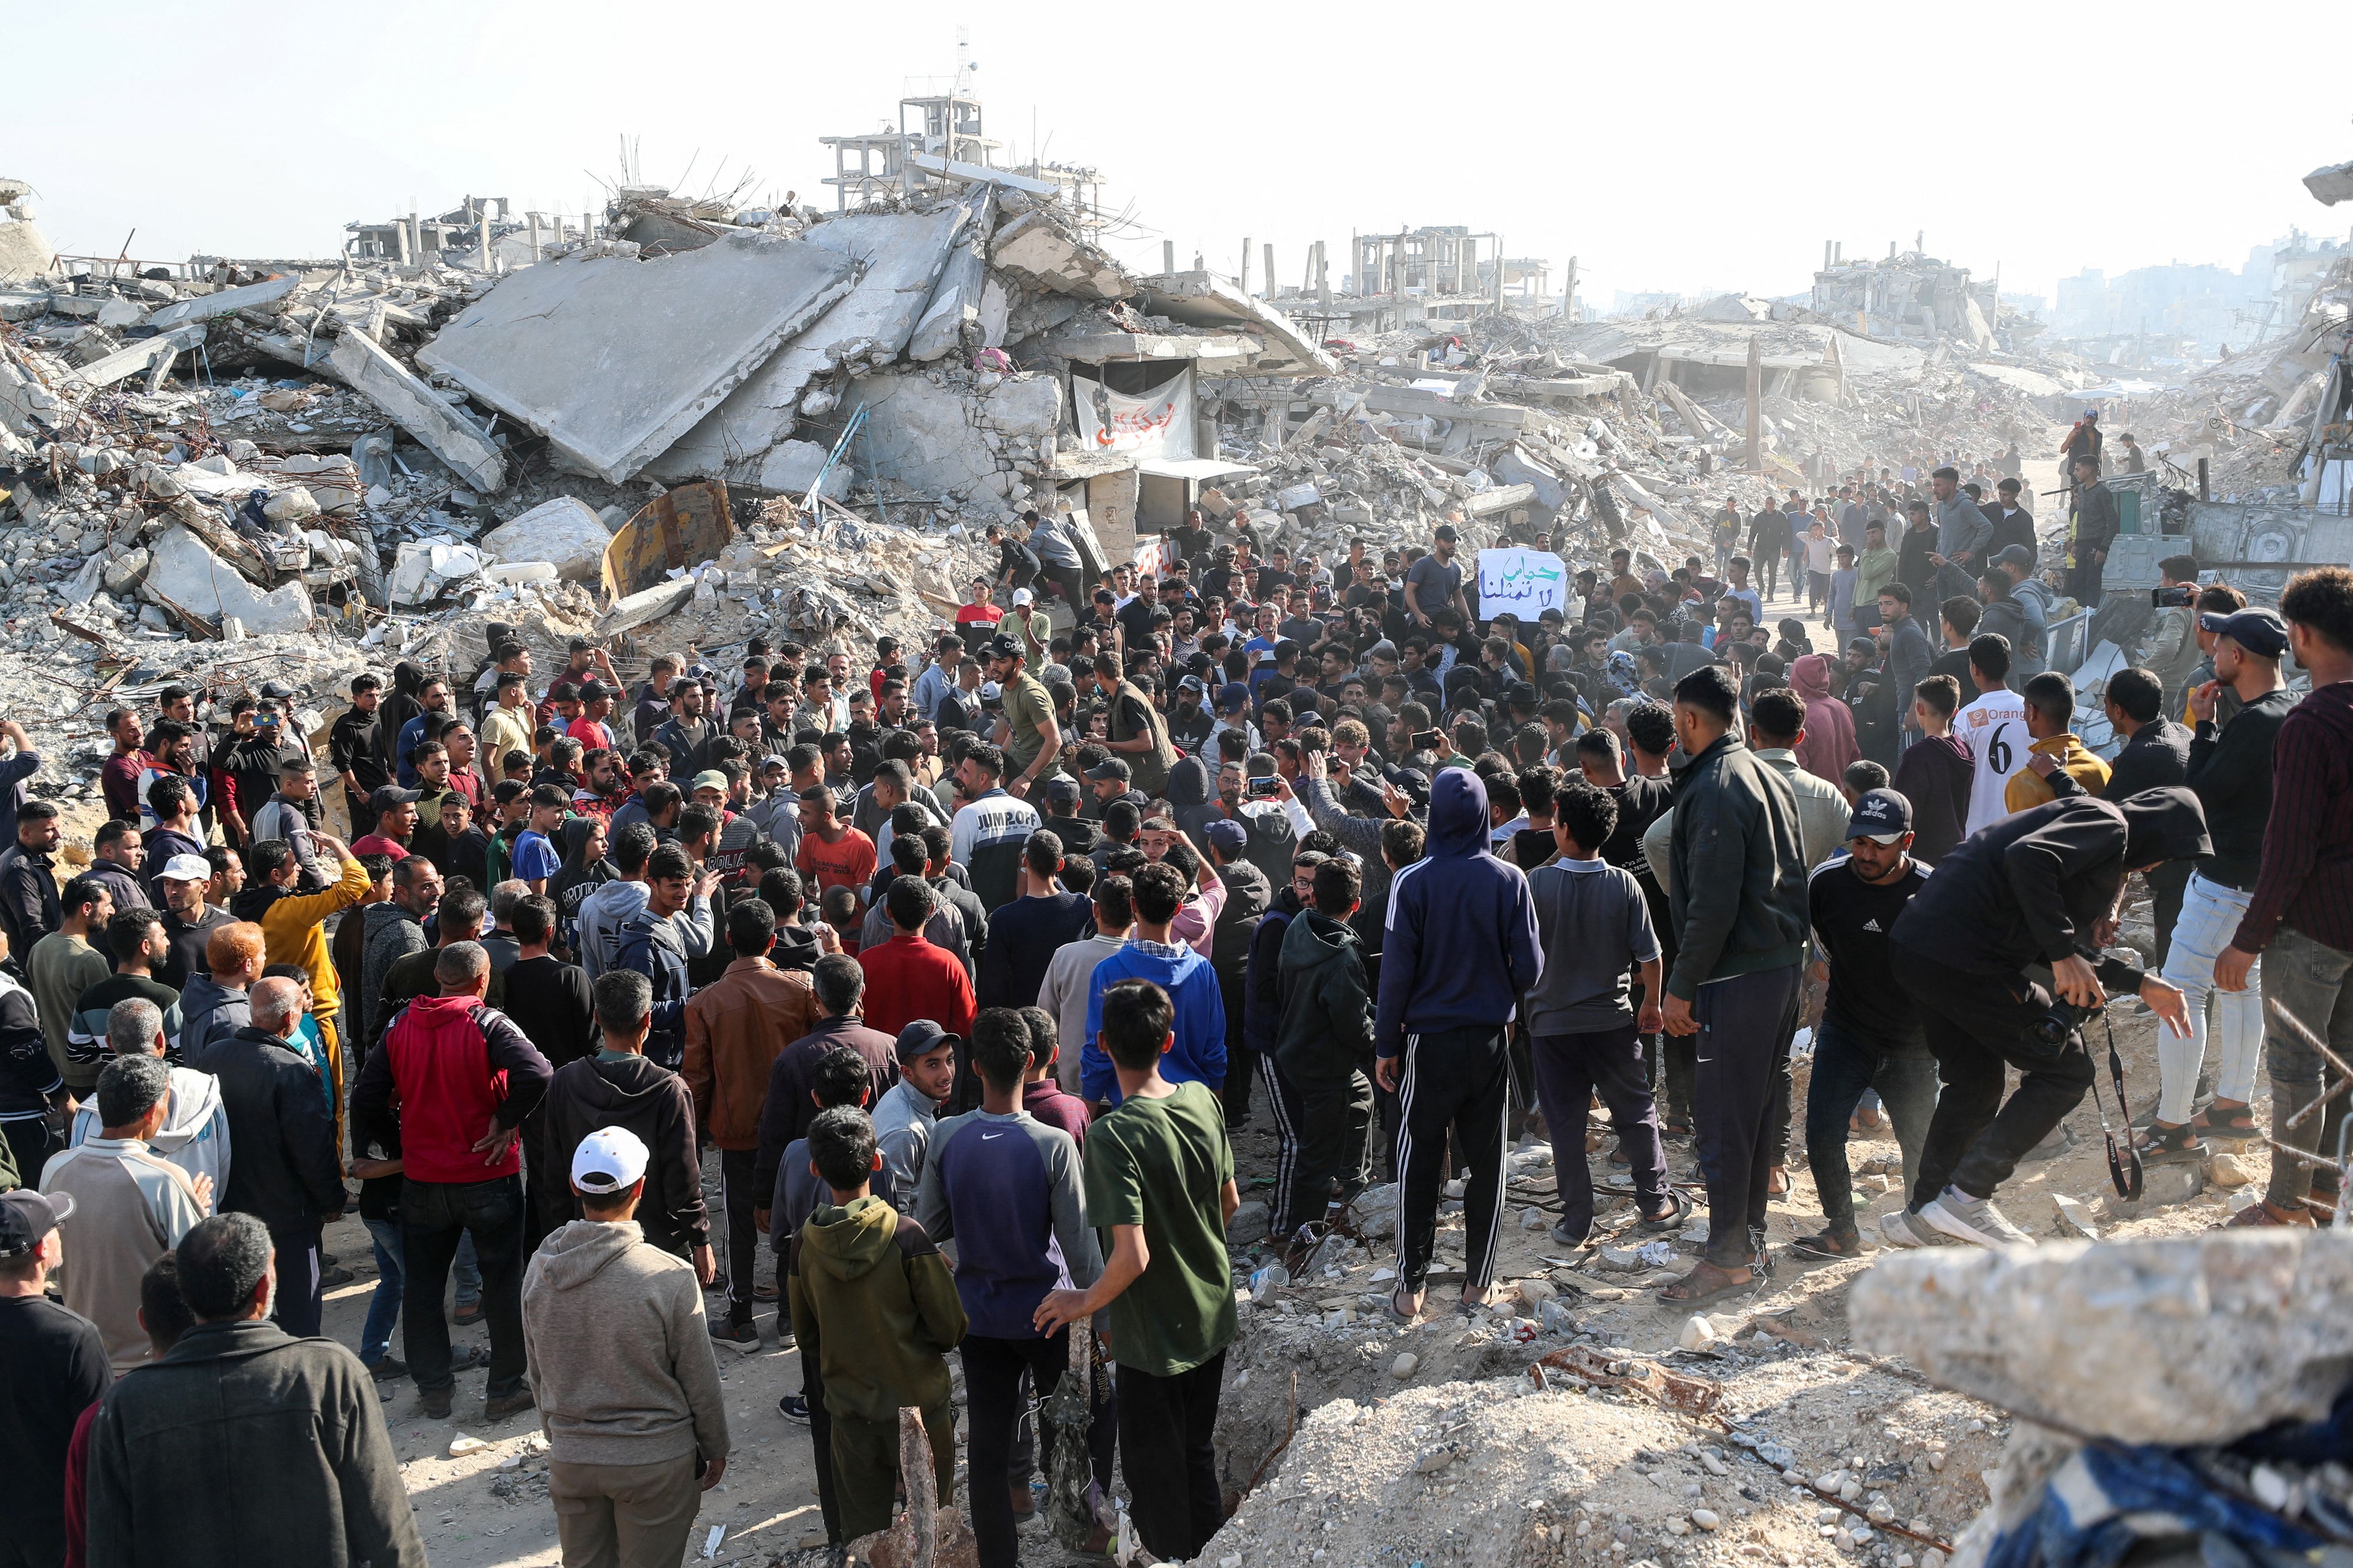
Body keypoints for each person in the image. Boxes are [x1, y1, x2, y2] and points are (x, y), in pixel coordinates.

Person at [1882, 789, 2207, 1246]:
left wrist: (2139, 984)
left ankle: (1924, 1214)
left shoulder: (2080, 821)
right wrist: (2060, 956)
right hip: (1964, 956)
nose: (2154, 869)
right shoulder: (2108, 824)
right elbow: (2028, 860)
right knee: (2066, 1070)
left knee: (1974, 1081)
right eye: (2165, 857)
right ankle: (1967, 1196)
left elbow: (2035, 923)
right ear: (2158, 834)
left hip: (1920, 946)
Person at [84, 1212, 429, 1567]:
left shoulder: (126, 1406)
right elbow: (389, 1536)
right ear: (265, 1286)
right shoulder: (328, 1374)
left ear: (186, 1294)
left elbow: (109, 1551)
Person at [1034, 979, 1239, 1563]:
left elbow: (1132, 1257)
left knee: (1154, 1478)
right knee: (1195, 1452)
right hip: (1211, 1310)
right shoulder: (1203, 1099)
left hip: (1154, 1335)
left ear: (1100, 1044)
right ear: (1168, 1039)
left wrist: (1082, 1301)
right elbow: (1228, 1203)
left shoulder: (1112, 1136)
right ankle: (1209, 1552)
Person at [917, 1007, 1109, 1568]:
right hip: (1047, 1313)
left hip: (979, 1317)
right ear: (1031, 1063)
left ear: (975, 1067)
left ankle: (1000, 1557)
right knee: (1067, 1424)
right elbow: (1082, 1251)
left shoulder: (947, 1138)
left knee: (989, 1441)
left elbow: (929, 1228)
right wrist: (1100, 1319)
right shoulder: (1052, 1145)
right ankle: (1076, 1528)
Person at [1655, 666, 1807, 1306]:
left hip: (1736, 975)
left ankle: (1726, 1259)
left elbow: (1711, 904)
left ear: (1689, 719)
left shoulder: (1715, 786)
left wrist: (1680, 985)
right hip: (1775, 970)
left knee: (1721, 1120)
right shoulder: (1762, 772)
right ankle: (1743, 1241)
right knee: (1749, 1114)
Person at [351, 940, 553, 1421]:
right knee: (502, 1284)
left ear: (437, 978)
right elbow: (538, 1072)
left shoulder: (401, 1025)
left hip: (423, 1182)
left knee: (422, 1287)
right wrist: (506, 1119)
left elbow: (365, 1097)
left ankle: (435, 1390)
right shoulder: (488, 1023)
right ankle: (504, 1390)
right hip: (489, 1177)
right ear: (482, 981)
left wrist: (398, 1145)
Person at [1372, 767, 1541, 1317]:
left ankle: (1410, 1287)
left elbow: (1395, 973)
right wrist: (1502, 998)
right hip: (1490, 1040)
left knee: (1419, 1160)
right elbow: (1532, 967)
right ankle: (1479, 1284)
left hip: (1427, 1043)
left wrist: (1385, 1044)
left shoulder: (1411, 881)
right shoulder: (1510, 880)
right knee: (1487, 1164)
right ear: (1483, 814)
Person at [523, 1125, 732, 1568]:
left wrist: (561, 1438)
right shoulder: (670, 1276)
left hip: (572, 1459)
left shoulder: (541, 1269)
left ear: (575, 1187)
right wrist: (715, 1445)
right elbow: (699, 1378)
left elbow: (538, 1371)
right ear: (641, 1187)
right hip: (655, 1463)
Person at [2215, 569, 2353, 1226]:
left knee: (2298, 1066)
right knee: (2344, 1063)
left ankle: (2284, 1205)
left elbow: (2288, 848)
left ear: (2299, 634)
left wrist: (2247, 938)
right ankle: (2325, 1194)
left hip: (2312, 928)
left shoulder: (2308, 724)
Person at [2139, 608, 2294, 1165]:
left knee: (2181, 990)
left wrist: (2202, 726)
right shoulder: (2291, 709)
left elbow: (2199, 790)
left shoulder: (2255, 723)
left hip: (2225, 879)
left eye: (2219, 645)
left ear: (2238, 657)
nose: (2212, 653)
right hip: (2263, 880)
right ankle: (2233, 1104)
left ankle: (2174, 1125)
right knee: (2241, 988)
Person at [786, 1105, 969, 1543]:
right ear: (876, 1161)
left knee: (864, 1538)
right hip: (921, 1410)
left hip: (852, 1415)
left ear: (815, 1169)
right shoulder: (907, 1237)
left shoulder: (803, 1248)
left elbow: (807, 1337)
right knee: (931, 1531)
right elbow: (950, 1329)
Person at [1524, 780, 1682, 1247]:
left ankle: (1576, 1220)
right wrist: (1650, 1005)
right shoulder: (1624, 884)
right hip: (1612, 1023)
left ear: (1564, 829)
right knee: (1635, 1112)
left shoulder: (1537, 884)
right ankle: (1655, 1202)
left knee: (1566, 1125)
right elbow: (1651, 958)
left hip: (1551, 1028)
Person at [1792, 790, 1938, 1260]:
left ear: (1907, 842)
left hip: (1915, 1044)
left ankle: (1921, 1230)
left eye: (1879, 845)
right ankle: (1841, 1229)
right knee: (1822, 1132)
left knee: (1923, 1143)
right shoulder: (1826, 883)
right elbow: (1825, 949)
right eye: (1859, 843)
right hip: (1848, 1031)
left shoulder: (1935, 891)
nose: (1866, 854)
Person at [684, 898, 816, 1349]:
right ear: (773, 941)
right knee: (795, 1217)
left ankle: (740, 1318)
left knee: (739, 1223)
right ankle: (789, 1314)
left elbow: (697, 1080)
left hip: (736, 1131)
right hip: (794, 1131)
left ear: (726, 940)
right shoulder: (801, 993)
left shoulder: (705, 1003)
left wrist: (693, 1137)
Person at [39, 1052, 210, 1372]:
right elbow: (196, 1272)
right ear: (152, 1110)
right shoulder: (164, 1180)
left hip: (84, 1360)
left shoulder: (55, 1168)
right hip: (153, 1365)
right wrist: (195, 1209)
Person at [541, 969, 711, 1283]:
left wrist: (563, 1231)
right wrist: (699, 1237)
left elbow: (553, 1168)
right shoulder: (669, 1089)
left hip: (586, 1236)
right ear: (648, 1020)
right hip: (658, 1245)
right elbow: (684, 1175)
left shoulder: (565, 1081)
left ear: (597, 1018)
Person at [198, 976, 342, 1337]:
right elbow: (312, 1149)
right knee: (299, 1313)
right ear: (291, 1019)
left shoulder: (213, 1056)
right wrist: (331, 1199)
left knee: (245, 1310)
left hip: (229, 1205)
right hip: (288, 1215)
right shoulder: (291, 1070)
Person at [1267, 856, 1377, 1254]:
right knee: (1317, 1158)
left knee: (1361, 1097)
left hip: (1296, 1049)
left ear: (1313, 896)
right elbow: (1352, 1025)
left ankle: (1348, 1193)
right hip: (1325, 1065)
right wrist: (1380, 1038)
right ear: (1357, 904)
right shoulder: (1342, 958)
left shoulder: (1299, 929)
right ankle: (1303, 1243)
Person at [0, 1188, 109, 1568]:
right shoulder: (74, 1337)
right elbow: (100, 1448)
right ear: (42, 1250)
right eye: (56, 1227)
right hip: (61, 1532)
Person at [1081, 862, 1227, 1105]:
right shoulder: (1203, 970)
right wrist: (1213, 1111)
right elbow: (1214, 1051)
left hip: (1132, 1106)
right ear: (1179, 907)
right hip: (1192, 1104)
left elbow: (1098, 1053)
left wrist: (1088, 1112)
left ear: (1133, 906)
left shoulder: (1107, 972)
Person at [610, 845, 719, 1070]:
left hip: (675, 1056)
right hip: (656, 1063)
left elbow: (672, 990)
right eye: (675, 886)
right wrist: (692, 1005)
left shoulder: (671, 922)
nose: (684, 893)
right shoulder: (642, 947)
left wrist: (704, 994)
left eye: (688, 884)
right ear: (652, 883)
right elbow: (638, 1010)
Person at [858, 878, 978, 1046]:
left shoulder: (865, 962)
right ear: (931, 910)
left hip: (880, 1061)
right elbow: (965, 1024)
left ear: (888, 912)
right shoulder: (949, 964)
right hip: (934, 1063)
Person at [29, 878, 114, 1113]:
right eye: (107, 904)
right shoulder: (90, 959)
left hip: (59, 1066)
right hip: (91, 1072)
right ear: (87, 909)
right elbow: (106, 1023)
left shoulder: (41, 947)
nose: (112, 911)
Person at [1889, 675, 1972, 865]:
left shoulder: (1918, 755)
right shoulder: (1964, 749)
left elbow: (1906, 809)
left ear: (1919, 709)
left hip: (1924, 853)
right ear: (1955, 711)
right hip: (1956, 845)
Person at [1955, 633, 2031, 839]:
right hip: (2026, 826)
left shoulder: (1966, 718)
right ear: (2008, 666)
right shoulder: (2031, 711)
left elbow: (1958, 775)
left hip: (1980, 831)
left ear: (1975, 669)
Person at [2004, 672, 2109, 811]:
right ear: (2074, 711)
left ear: (2031, 712)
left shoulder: (2024, 783)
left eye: (2025, 709)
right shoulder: (2101, 766)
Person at [0, 798, 64, 964]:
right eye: (50, 830)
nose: (58, 835)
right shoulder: (19, 870)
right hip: (35, 963)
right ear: (26, 833)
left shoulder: (34, 859)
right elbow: (33, 928)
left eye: (58, 828)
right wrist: (60, 959)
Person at [2064, 454, 2118, 607]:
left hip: (2096, 545)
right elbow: (2082, 520)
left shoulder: (2102, 492)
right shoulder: (2080, 490)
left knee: (2092, 584)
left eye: (2078, 469)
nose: (2075, 473)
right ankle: (2078, 617)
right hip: (2081, 546)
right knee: (2078, 583)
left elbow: (2113, 522)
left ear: (2088, 471)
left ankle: (2090, 617)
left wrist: (2103, 548)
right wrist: (2077, 543)